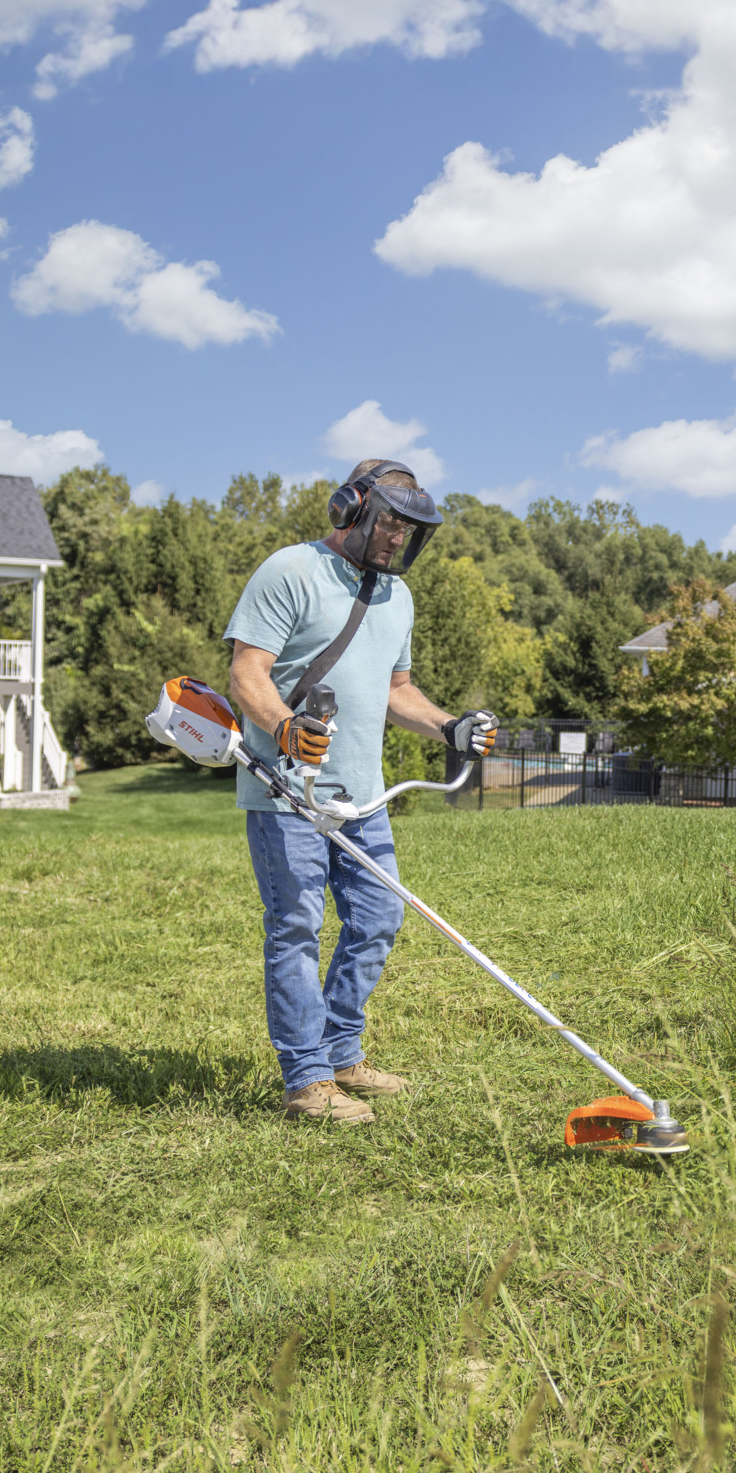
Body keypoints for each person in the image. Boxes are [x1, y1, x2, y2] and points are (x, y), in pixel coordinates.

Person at [225, 458, 497, 1125]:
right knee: (295, 930)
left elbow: (397, 693)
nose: (399, 537)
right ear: (351, 507)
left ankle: (342, 1052)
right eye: (390, 522)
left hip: (363, 798)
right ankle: (307, 1082)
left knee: (378, 919)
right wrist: (285, 730)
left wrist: (450, 728)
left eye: (411, 529)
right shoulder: (289, 571)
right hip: (288, 790)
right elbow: (246, 674)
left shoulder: (397, 598)